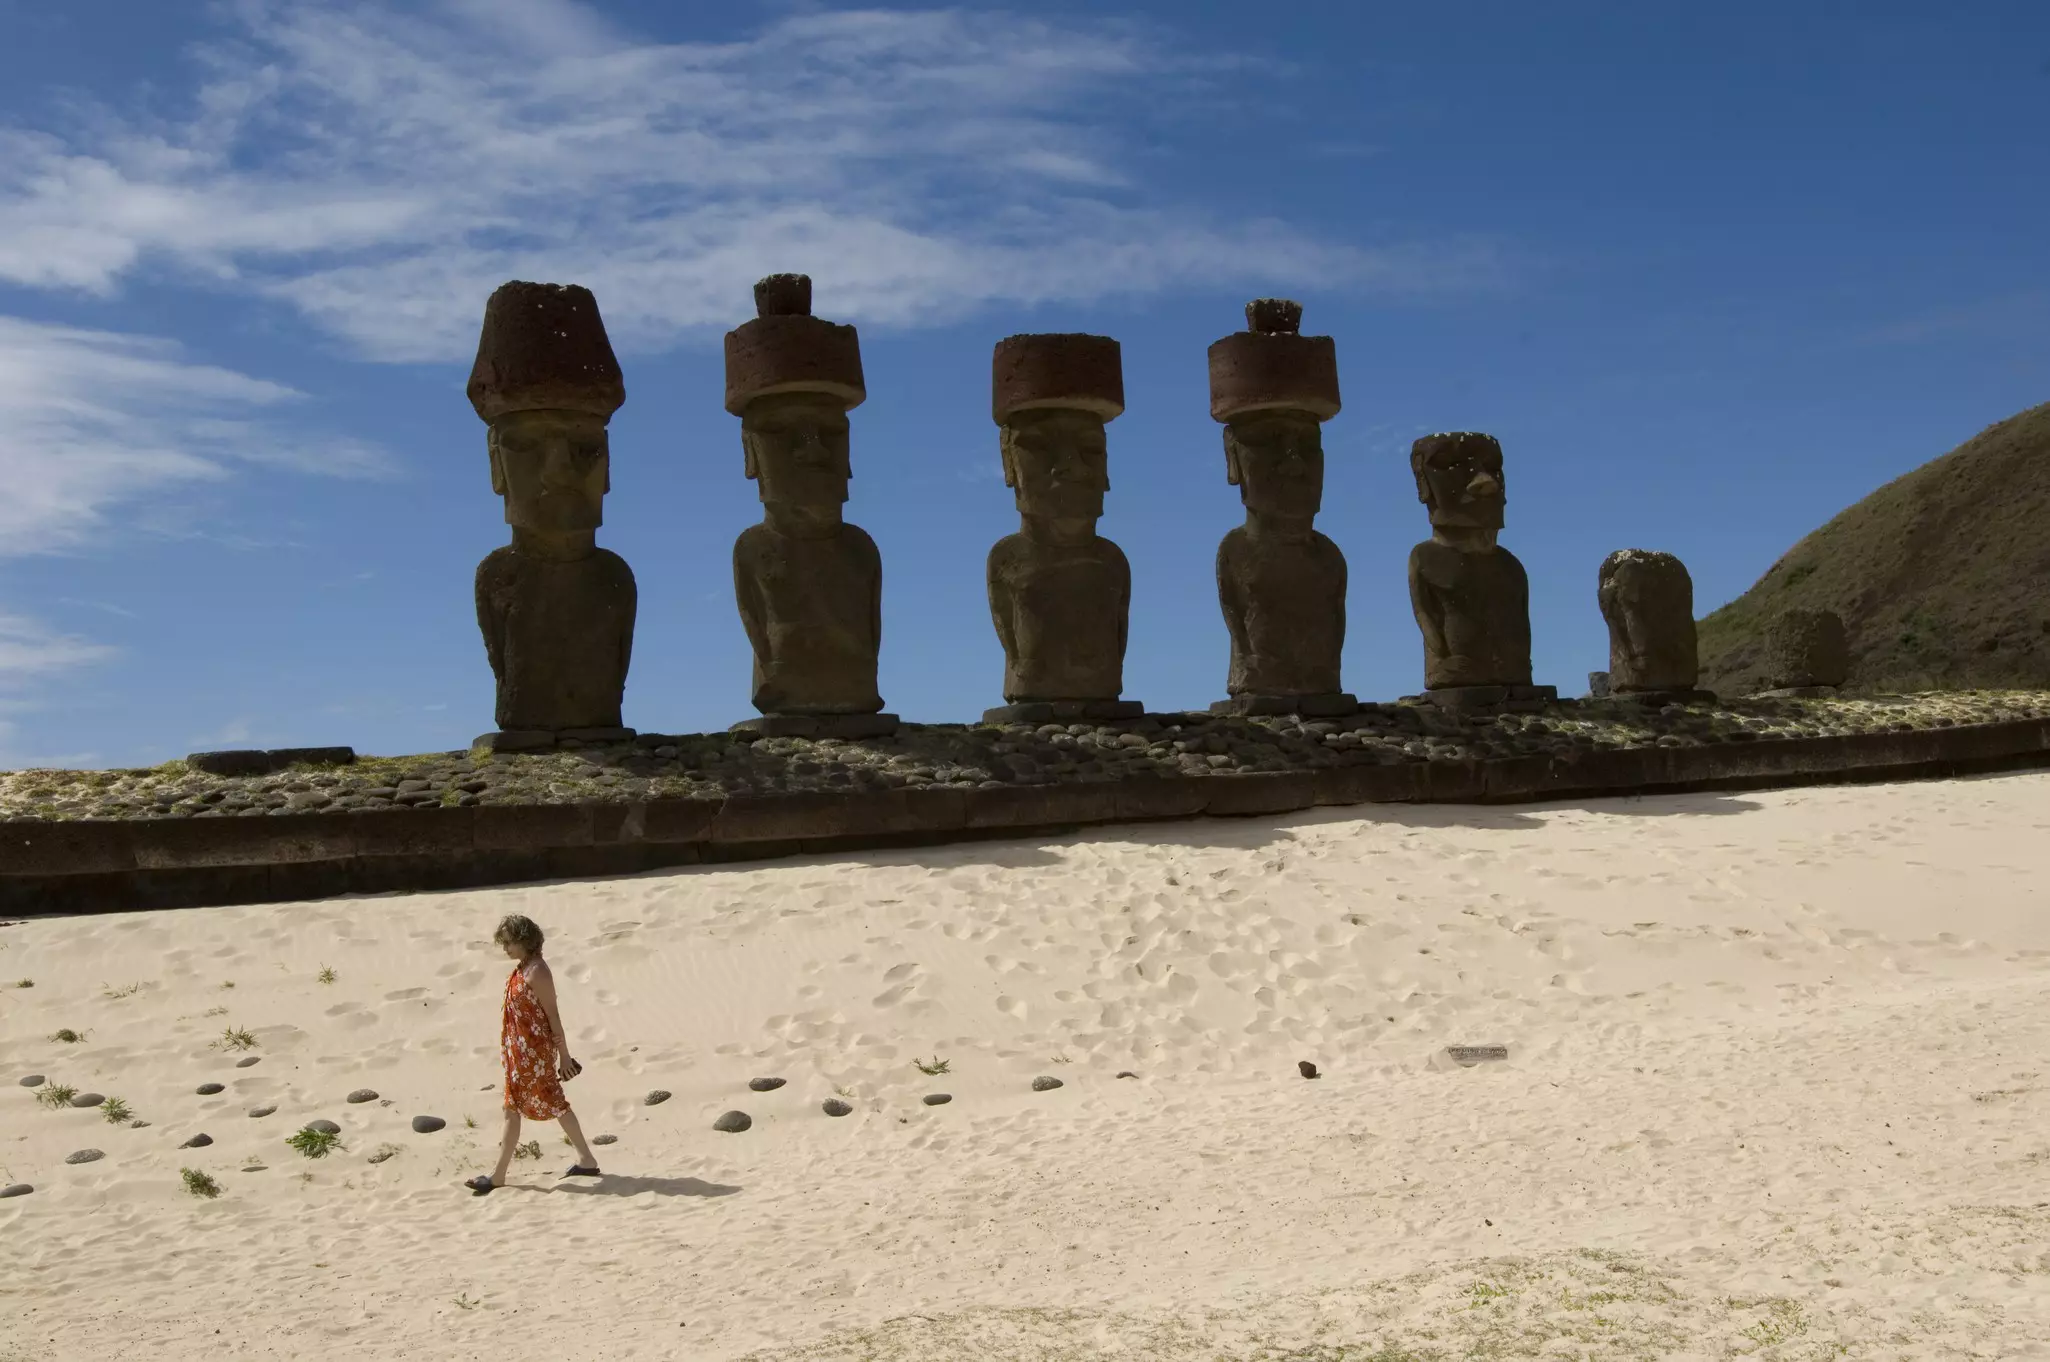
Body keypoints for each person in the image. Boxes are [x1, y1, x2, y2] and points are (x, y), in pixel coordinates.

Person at [467, 913, 599, 1194]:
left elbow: (553, 1015)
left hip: (535, 1057)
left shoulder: (538, 971)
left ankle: (499, 1175)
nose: (505, 948)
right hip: (519, 1056)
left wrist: (564, 1056)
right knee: (524, 1106)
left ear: (523, 940)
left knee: (529, 1107)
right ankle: (586, 1160)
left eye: (508, 942)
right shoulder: (522, 968)